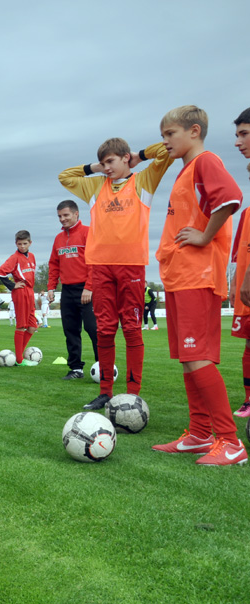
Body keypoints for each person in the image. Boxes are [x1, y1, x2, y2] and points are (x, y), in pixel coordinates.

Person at [151, 105, 245, 466]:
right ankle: (200, 434)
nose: (165, 142)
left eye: (170, 135)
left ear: (194, 131)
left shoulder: (205, 161)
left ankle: (230, 441)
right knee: (188, 359)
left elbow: (231, 197)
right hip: (179, 276)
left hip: (198, 276)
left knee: (197, 356)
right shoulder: (186, 170)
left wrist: (206, 236)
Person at [59, 137, 174, 410]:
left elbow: (166, 152)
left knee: (132, 329)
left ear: (125, 158)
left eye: (111, 161)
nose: (107, 167)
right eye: (104, 162)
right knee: (105, 330)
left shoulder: (143, 181)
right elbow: (64, 176)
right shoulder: (96, 186)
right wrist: (95, 168)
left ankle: (133, 393)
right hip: (100, 266)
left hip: (131, 265)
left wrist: (140, 155)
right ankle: (105, 392)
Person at [47, 200, 98, 380]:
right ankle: (76, 368)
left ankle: (103, 367)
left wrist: (89, 288)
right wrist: (51, 287)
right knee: (70, 330)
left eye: (66, 215)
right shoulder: (58, 239)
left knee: (94, 330)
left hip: (87, 290)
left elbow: (95, 262)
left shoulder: (88, 232)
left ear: (76, 214)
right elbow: (54, 264)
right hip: (67, 291)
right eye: (60, 216)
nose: (62, 219)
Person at [229, 108, 250, 418]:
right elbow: (236, 256)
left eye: (244, 133)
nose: (237, 142)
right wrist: (235, 282)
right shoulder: (245, 214)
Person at [0, 230, 39, 366]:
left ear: (30, 243)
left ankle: (18, 354)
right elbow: (0, 273)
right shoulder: (14, 257)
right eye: (19, 244)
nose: (22, 246)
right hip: (21, 292)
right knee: (21, 326)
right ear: (16, 243)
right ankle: (20, 360)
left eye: (25, 243)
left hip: (30, 292)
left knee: (32, 326)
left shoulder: (31, 256)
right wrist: (13, 285)